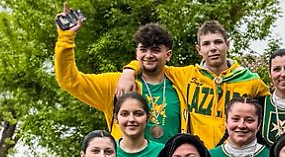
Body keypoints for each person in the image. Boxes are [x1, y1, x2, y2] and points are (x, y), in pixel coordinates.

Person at [118, 20, 270, 149]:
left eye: (218, 42)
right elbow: (152, 63)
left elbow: (273, 111)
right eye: (206, 44)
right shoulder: (186, 76)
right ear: (199, 49)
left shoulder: (251, 81)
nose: (213, 48)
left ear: (227, 45)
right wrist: (129, 71)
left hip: (236, 153)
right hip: (199, 156)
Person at [54, 14, 187, 142]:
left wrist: (131, 69)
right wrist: (66, 38)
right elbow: (70, 80)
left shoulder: (181, 82)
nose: (148, 55)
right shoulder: (116, 84)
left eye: (155, 50)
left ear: (168, 55)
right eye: (143, 50)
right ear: (136, 52)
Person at [112, 92, 164, 157]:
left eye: (138, 114)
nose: (131, 119)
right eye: (125, 114)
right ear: (116, 118)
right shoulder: (106, 153)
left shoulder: (163, 153)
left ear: (148, 118)